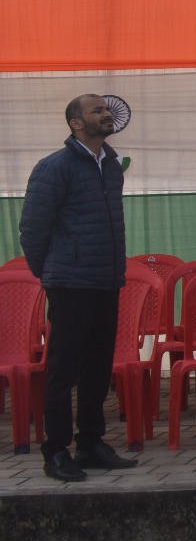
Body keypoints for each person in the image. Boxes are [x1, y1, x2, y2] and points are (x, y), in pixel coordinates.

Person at [19, 95, 140, 482]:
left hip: (106, 279)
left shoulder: (111, 166)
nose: (107, 114)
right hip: (70, 282)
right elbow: (33, 229)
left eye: (107, 109)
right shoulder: (55, 167)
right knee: (63, 369)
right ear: (76, 123)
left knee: (98, 367)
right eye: (97, 111)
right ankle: (55, 450)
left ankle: (90, 443)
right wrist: (50, 273)